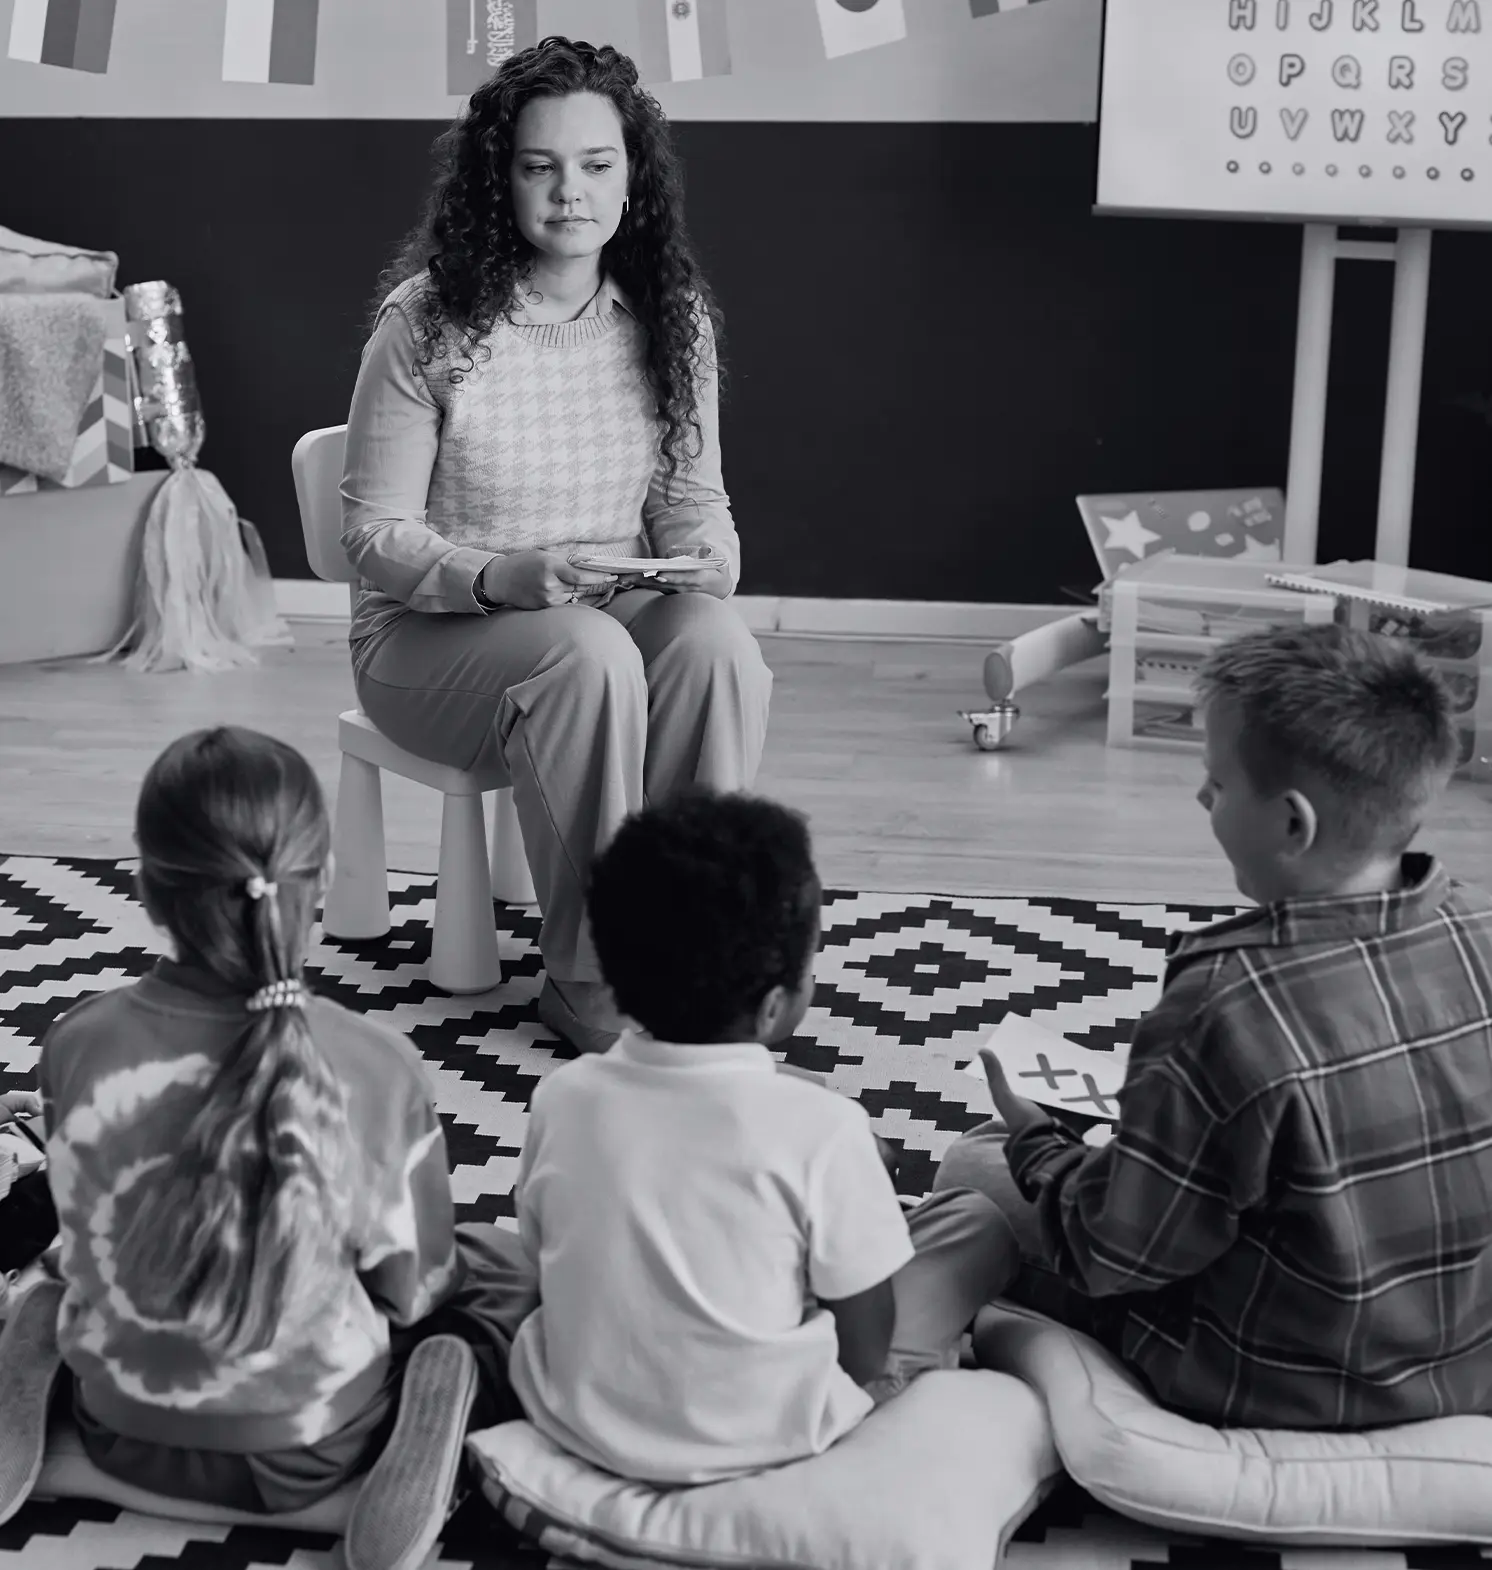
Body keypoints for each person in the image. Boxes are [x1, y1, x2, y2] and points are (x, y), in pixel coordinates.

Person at [0, 729, 536, 1570]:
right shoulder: (373, 1063)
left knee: (65, 1266)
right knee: (504, 1275)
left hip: (118, 1429)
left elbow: (81, 1209)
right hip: (311, 1448)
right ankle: (428, 1420)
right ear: (319, 882)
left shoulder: (78, 1041)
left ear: (144, 887)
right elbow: (414, 1289)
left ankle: (39, 1347)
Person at [942, 623, 1492, 1431]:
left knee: (974, 1169)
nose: (1204, 798)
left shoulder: (1226, 1002)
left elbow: (1115, 1253)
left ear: (1292, 824)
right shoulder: (1477, 931)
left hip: (1270, 1376)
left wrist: (1032, 1137)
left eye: (1218, 782)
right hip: (1463, 1361)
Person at [343, 36, 771, 1052]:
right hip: (429, 638)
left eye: (595, 164)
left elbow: (688, 498)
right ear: (501, 181)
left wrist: (709, 553)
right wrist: (497, 575)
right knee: (586, 657)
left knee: (716, 647)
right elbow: (372, 535)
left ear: (633, 176)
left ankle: (695, 956)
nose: (569, 192)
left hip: (600, 612)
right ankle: (591, 980)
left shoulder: (673, 317)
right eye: (539, 167)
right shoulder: (428, 323)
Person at [505, 790, 1016, 1484]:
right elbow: (861, 1355)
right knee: (977, 1224)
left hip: (576, 1415)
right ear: (776, 1005)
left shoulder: (561, 1097)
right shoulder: (826, 1131)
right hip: (766, 1432)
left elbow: (542, 1267)